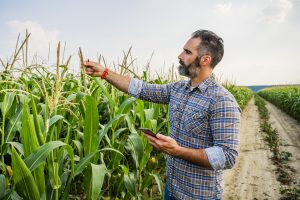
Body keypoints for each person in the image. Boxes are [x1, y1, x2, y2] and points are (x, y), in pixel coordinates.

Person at [82, 30, 241, 200]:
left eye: (187, 52)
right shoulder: (177, 89)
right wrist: (105, 73)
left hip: (199, 195)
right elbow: (141, 88)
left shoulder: (222, 100)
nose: (180, 55)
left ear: (205, 59)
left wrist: (177, 151)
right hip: (171, 189)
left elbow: (227, 156)